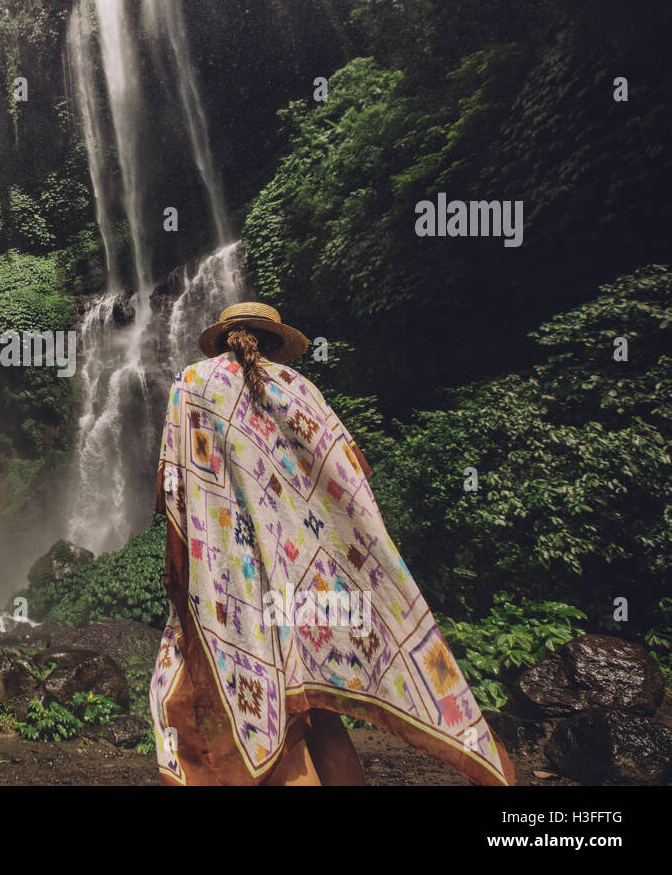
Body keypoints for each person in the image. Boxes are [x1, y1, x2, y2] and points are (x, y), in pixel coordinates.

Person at [149, 302, 515, 786]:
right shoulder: (302, 391)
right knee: (315, 709)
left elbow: (177, 484)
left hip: (239, 581)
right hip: (311, 577)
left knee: (267, 708)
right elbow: (348, 480)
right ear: (276, 344)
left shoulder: (194, 382)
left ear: (223, 339)